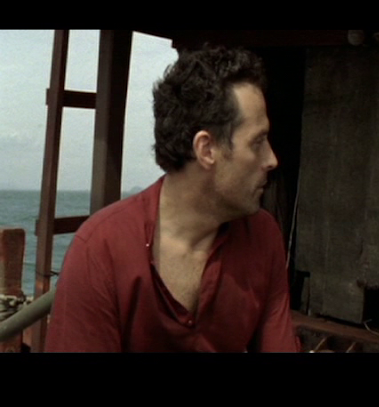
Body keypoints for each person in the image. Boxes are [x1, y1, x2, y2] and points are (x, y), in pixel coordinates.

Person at [45, 45, 299, 352]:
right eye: (257, 143)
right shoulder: (101, 250)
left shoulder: (262, 236)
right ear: (207, 149)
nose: (271, 159)